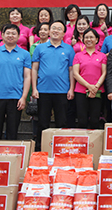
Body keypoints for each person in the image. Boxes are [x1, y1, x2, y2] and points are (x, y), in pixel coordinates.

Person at [32, 20, 76, 148]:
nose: (56, 31)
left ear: (64, 33)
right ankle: (41, 148)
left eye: (59, 29)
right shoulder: (40, 48)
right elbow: (34, 69)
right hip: (43, 90)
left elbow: (71, 70)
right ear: (49, 31)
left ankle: (60, 147)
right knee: (42, 122)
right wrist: (34, 88)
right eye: (53, 28)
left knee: (61, 122)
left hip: (62, 91)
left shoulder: (69, 49)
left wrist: (71, 89)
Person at [0, 24, 32, 140]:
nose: (10, 35)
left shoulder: (25, 54)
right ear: (2, 35)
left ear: (18, 36)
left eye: (13, 33)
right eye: (8, 33)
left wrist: (24, 97)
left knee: (12, 132)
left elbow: (27, 77)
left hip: (16, 97)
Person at [72, 28, 106, 129]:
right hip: (81, 91)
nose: (89, 39)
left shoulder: (102, 56)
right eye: (86, 37)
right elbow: (75, 74)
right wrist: (89, 86)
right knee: (82, 120)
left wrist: (96, 87)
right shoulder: (78, 55)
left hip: (97, 91)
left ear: (96, 39)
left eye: (91, 37)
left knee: (95, 120)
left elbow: (104, 73)